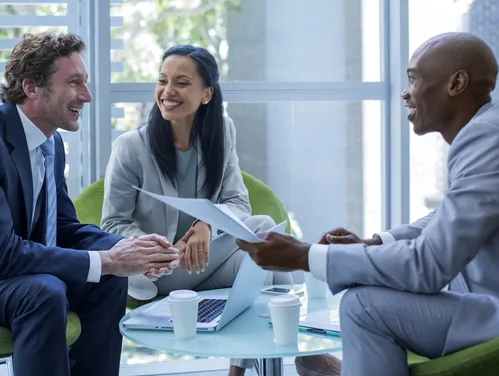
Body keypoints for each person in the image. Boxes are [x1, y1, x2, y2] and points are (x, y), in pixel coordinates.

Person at [235, 32, 499, 376]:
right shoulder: (486, 131)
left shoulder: (485, 139)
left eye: (414, 78)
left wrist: (305, 256)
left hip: (491, 314)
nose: (405, 93)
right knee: (367, 285)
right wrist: (375, 242)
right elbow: (449, 217)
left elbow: (429, 265)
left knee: (365, 305)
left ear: (457, 83)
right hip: (483, 302)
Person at [101, 44, 292, 376]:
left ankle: (243, 369)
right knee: (264, 231)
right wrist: (157, 247)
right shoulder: (131, 146)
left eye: (182, 82)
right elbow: (112, 223)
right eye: (163, 81)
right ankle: (304, 360)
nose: (168, 91)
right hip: (162, 272)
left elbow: (237, 202)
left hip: (208, 265)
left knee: (264, 246)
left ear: (207, 94)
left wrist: (207, 224)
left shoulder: (222, 131)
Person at [0, 32, 180, 376]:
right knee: (45, 291)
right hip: (6, 271)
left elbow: (63, 227)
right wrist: (107, 259)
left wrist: (128, 249)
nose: (88, 95)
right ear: (31, 87)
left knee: (109, 279)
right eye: (74, 82)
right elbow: (5, 253)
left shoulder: (50, 144)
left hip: (18, 271)